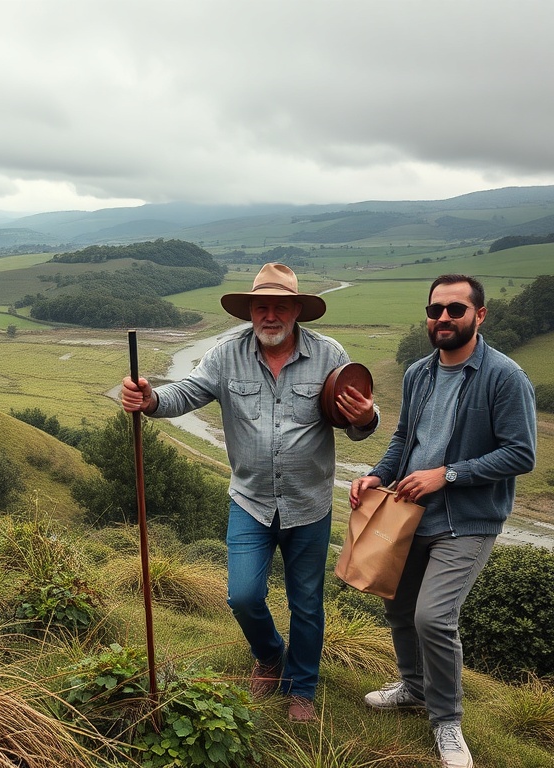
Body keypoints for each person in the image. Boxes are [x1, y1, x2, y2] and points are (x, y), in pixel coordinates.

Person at [121, 263, 378, 722]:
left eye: (281, 306)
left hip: (309, 504)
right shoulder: (225, 355)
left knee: (306, 604)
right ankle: (270, 654)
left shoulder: (330, 355)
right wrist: (151, 398)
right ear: (251, 311)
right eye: (262, 307)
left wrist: (365, 418)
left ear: (297, 310)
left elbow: (356, 423)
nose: (270, 316)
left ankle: (302, 690)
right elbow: (187, 392)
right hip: (250, 501)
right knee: (242, 595)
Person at [350, 275, 536, 768]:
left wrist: (447, 475)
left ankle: (447, 723)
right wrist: (377, 475)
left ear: (480, 314)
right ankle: (413, 688)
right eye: (436, 310)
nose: (444, 319)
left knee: (433, 616)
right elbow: (404, 438)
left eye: (456, 309)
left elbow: (521, 453)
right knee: (397, 607)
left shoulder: (504, 376)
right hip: (408, 517)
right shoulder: (418, 373)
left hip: (468, 520)